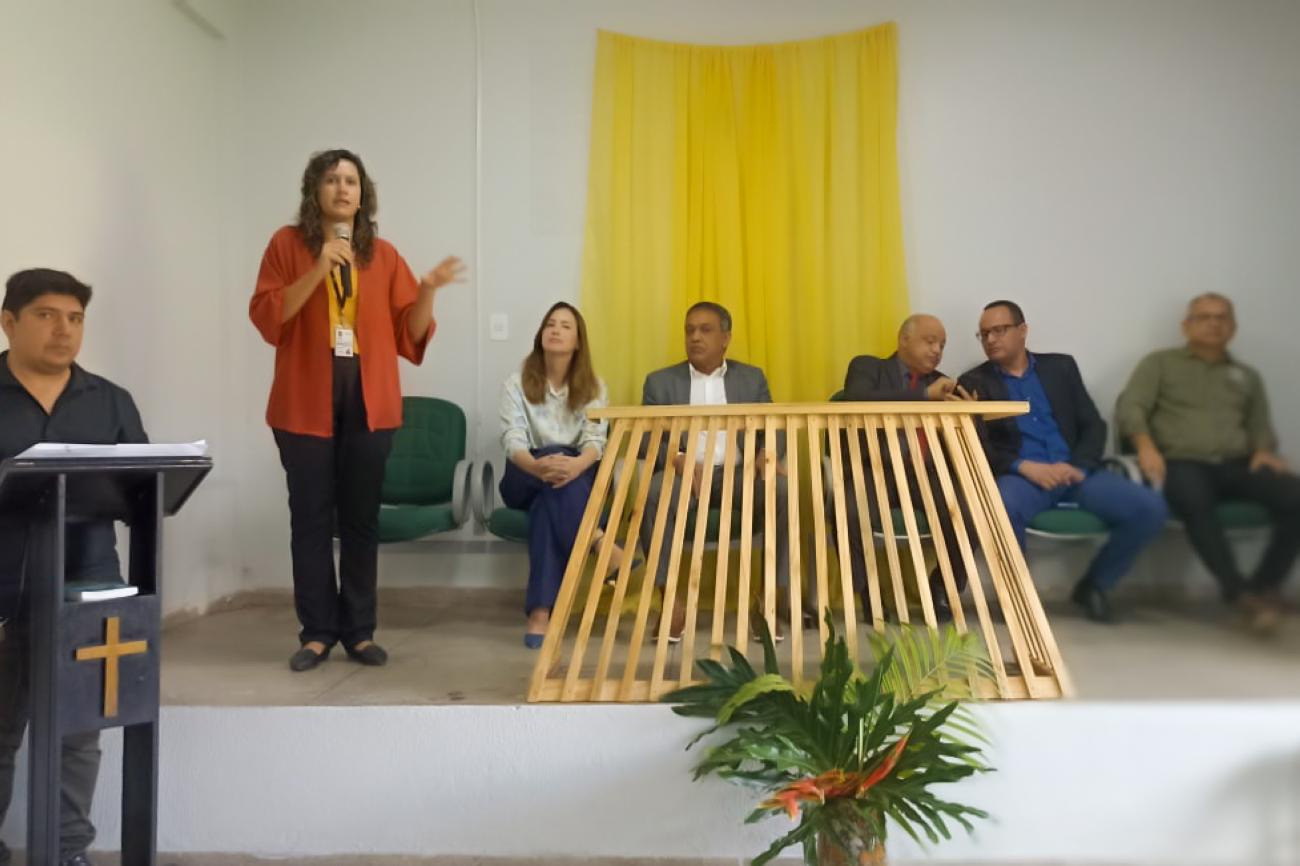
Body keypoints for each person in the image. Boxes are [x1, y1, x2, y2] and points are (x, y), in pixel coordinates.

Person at [249, 149, 464, 671]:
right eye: (332, 179)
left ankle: (360, 631)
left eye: (351, 181)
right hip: (304, 401)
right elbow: (269, 316)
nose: (343, 188)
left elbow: (410, 336)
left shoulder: (382, 255)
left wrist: (428, 291)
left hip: (369, 401)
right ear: (314, 190)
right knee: (311, 520)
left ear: (363, 195)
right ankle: (317, 632)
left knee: (361, 520)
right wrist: (319, 267)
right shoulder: (286, 245)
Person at [0, 268, 148, 866]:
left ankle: (66, 852)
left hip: (89, 586)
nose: (64, 330)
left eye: (75, 318)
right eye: (46, 315)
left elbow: (144, 489)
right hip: (4, 587)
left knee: (78, 732)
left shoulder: (110, 401)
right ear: (9, 322)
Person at [958, 300, 1167, 622]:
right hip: (1023, 477)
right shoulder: (974, 382)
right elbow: (976, 445)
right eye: (983, 334)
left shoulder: (1060, 368)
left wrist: (1078, 466)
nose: (990, 340)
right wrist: (1024, 466)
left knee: (1150, 508)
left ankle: (1095, 585)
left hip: (1075, 473)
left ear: (1023, 330)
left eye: (999, 330)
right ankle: (1017, 599)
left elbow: (1093, 424)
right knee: (999, 504)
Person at [1117, 293, 1298, 630]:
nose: (1214, 324)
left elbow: (1259, 422)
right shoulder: (1160, 364)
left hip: (1237, 464)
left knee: (1294, 495)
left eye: (1221, 317)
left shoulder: (1246, 375)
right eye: (1204, 317)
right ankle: (1239, 593)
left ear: (1233, 327)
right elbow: (1132, 407)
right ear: (1187, 326)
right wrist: (1144, 445)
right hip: (1180, 462)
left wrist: (1263, 449)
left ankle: (1264, 586)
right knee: (1195, 500)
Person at [641, 302, 790, 641]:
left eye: (705, 330)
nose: (695, 337)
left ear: (725, 338)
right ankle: (671, 602)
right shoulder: (660, 382)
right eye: (689, 330)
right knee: (654, 494)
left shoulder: (751, 378)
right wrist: (677, 457)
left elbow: (774, 425)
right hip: (686, 475)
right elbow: (647, 438)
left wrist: (766, 452)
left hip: (740, 474)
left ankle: (768, 601)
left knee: (782, 492)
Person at [499, 302, 632, 648]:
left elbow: (595, 441)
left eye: (565, 326)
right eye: (550, 324)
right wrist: (538, 466)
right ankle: (601, 544)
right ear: (541, 335)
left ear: (578, 342)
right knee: (553, 470)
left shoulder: (594, 387)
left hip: (574, 474)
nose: (556, 330)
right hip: (525, 472)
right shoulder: (516, 383)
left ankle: (540, 613)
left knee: (550, 504)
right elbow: (513, 440)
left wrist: (573, 466)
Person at [840, 314, 976, 621]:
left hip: (927, 473)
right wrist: (924, 397)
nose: (937, 350)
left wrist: (969, 415)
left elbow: (967, 442)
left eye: (942, 345)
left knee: (970, 514)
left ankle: (942, 588)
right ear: (904, 339)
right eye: (930, 341)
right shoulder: (868, 367)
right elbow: (857, 399)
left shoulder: (945, 384)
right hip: (875, 469)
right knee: (848, 511)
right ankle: (870, 593)